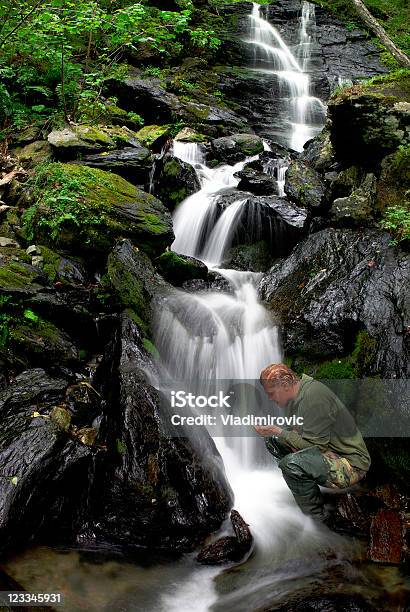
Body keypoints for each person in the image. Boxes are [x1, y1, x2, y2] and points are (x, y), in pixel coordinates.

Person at [255, 363, 371, 523]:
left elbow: (315, 446)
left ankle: (316, 519)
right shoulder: (297, 398)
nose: (270, 398)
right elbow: (299, 434)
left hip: (352, 465)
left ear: (286, 384)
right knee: (273, 440)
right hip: (328, 450)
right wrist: (275, 433)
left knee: (290, 464)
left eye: (272, 393)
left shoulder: (314, 398)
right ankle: (304, 483)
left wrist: (278, 431)